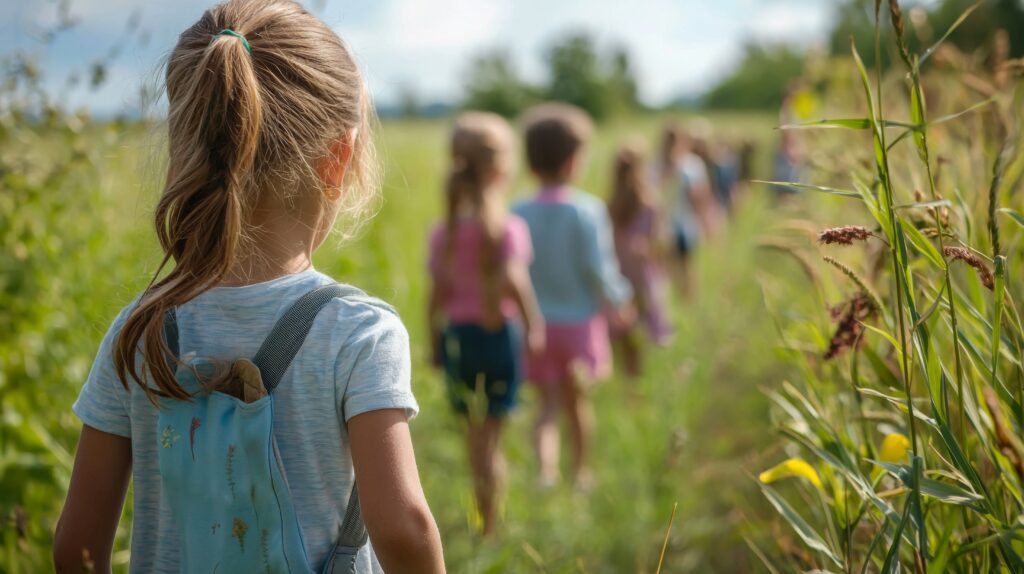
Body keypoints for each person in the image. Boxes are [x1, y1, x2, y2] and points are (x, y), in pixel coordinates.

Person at [52, 2, 445, 572]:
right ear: (338, 159)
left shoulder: (138, 331)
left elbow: (77, 547)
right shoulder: (359, 333)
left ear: (190, 144)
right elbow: (404, 530)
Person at [426, 112, 544, 536]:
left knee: (473, 436)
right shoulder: (509, 229)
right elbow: (516, 282)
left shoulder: (445, 233)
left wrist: (432, 341)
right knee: (492, 438)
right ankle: (490, 524)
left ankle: (482, 512)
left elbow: (436, 295)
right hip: (498, 338)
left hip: (460, 338)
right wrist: (534, 325)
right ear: (501, 169)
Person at [513, 103, 633, 490]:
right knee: (577, 405)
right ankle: (581, 475)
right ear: (573, 161)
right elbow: (598, 267)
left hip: (537, 326)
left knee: (546, 407)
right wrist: (620, 300)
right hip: (579, 323)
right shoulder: (586, 210)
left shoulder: (517, 211)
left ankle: (546, 475)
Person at [606, 141, 674, 380]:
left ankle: (626, 383)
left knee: (623, 333)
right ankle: (634, 385)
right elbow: (660, 244)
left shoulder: (609, 204)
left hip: (617, 276)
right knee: (640, 334)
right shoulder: (651, 203)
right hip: (642, 276)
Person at [656, 123, 721, 299]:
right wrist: (707, 224)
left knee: (667, 273)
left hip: (664, 226)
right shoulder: (691, 165)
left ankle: (675, 306)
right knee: (687, 271)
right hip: (684, 224)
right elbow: (700, 199)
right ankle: (686, 302)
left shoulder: (657, 166)